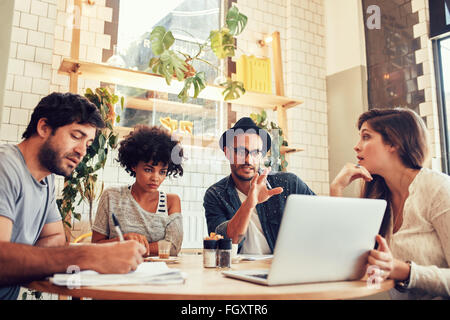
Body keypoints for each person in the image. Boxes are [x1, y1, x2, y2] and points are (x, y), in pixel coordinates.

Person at [0, 92, 146, 300]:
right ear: (43, 127)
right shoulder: (5, 167)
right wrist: (90, 255)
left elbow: (55, 238)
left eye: (87, 144)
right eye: (76, 136)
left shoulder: (46, 179)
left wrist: (25, 259)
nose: (81, 151)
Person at [330, 107, 450, 299]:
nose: (357, 146)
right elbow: (347, 261)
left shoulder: (438, 188)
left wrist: (405, 271)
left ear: (393, 143)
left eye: (366, 136)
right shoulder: (378, 198)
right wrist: (336, 189)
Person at [204, 117, 315, 254]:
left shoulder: (289, 184)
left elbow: (321, 219)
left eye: (255, 152)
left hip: (280, 268)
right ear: (228, 153)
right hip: (237, 270)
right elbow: (224, 245)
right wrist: (250, 204)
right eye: (240, 151)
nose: (248, 160)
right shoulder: (216, 194)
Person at [92, 125, 184, 257]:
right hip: (118, 270)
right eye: (148, 169)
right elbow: (95, 245)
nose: (155, 178)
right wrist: (123, 241)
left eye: (162, 172)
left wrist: (134, 247)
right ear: (134, 165)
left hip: (159, 273)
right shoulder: (111, 196)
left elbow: (173, 247)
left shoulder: (171, 201)